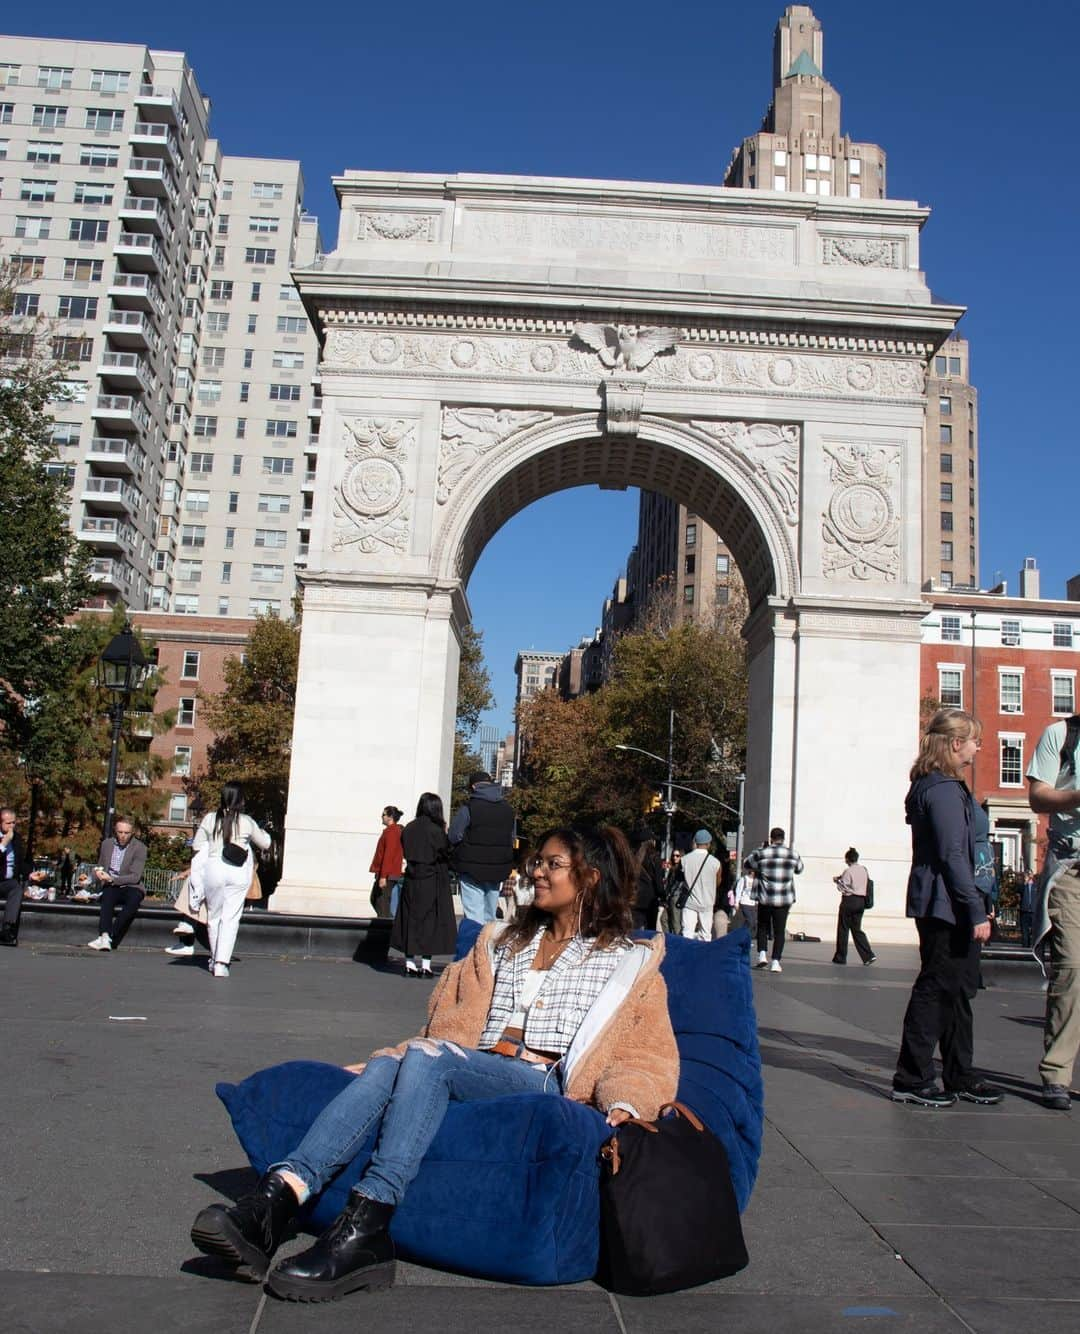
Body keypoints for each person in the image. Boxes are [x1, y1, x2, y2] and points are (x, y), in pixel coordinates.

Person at [190, 825, 679, 1303]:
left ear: (591, 878)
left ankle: (367, 1221)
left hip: (543, 1080)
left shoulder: (625, 963)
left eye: (554, 864)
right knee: (390, 1066)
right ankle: (277, 1200)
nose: (537, 873)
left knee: (423, 1060)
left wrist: (625, 1103)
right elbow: (450, 1030)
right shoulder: (503, 941)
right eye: (538, 862)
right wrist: (390, 1060)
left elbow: (641, 1051)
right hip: (471, 1063)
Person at [891, 708, 1001, 1108]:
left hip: (948, 899)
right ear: (956, 744)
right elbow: (954, 854)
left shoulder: (941, 787)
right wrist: (974, 908)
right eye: (974, 740)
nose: (978, 747)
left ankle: (959, 1073)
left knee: (957, 992)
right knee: (937, 988)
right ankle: (912, 1076)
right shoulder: (941, 791)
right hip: (946, 904)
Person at [1027, 713, 1080, 1111]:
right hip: (1072, 872)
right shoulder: (1061, 734)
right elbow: (1038, 796)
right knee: (1072, 970)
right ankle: (1056, 1073)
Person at [189, 784, 271, 979]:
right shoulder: (246, 821)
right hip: (237, 872)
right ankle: (221, 963)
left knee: (214, 917)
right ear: (241, 800)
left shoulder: (210, 819)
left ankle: (214, 957)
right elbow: (265, 843)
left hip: (214, 870)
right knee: (231, 918)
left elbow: (197, 845)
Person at [392, 793, 457, 977]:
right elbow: (445, 852)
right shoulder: (436, 830)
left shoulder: (409, 828)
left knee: (410, 919)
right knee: (431, 922)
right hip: (433, 878)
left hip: (412, 877)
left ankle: (409, 963)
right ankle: (426, 965)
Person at [448, 771, 515, 924]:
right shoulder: (507, 809)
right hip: (497, 869)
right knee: (489, 915)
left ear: (473, 786)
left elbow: (454, 835)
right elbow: (511, 838)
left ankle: (473, 945)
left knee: (473, 916)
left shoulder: (469, 807)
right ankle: (487, 945)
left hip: (470, 867)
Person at [85, 816, 149, 952]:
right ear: (115, 831)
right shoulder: (107, 845)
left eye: (126, 833)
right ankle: (104, 934)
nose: (123, 836)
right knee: (107, 897)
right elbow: (101, 866)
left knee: (133, 901)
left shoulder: (140, 848)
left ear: (132, 833)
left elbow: (135, 876)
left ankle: (110, 935)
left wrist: (112, 879)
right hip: (111, 885)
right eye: (120, 832)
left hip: (132, 885)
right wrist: (92, 877)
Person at [747, 827, 804, 973]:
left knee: (763, 926)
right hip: (784, 898)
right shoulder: (793, 854)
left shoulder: (762, 853)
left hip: (766, 897)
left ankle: (762, 955)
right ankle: (776, 961)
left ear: (771, 838)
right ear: (783, 839)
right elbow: (799, 869)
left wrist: (760, 848)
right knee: (779, 930)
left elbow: (748, 863)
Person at [0, 808, 42, 947]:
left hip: (7, 882)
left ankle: (7, 929)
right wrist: (3, 844)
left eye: (13, 823)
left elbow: (20, 862)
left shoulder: (16, 838)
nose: (11, 826)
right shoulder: (6, 839)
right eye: (8, 823)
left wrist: (30, 873)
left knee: (16, 889)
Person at [832, 848, 876, 966]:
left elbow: (844, 887)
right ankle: (868, 955)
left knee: (843, 928)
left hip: (849, 901)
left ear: (847, 859)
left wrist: (837, 881)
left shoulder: (848, 871)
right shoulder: (864, 870)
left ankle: (841, 956)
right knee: (857, 929)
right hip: (861, 902)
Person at [680, 830, 721, 941]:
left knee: (687, 932)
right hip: (707, 902)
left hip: (690, 901)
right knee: (705, 934)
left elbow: (680, 879)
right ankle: (703, 956)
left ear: (695, 842)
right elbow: (718, 882)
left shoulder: (684, 860)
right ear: (708, 844)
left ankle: (687, 956)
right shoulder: (715, 862)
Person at [369, 806, 405, 919]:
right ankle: (386, 923)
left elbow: (388, 854)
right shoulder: (391, 831)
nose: (382, 817)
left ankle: (385, 928)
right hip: (386, 873)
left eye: (383, 815)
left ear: (390, 817)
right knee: (375, 899)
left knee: (382, 903)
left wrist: (384, 876)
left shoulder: (392, 832)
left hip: (388, 874)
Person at [629, 827, 664, 930]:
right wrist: (662, 896)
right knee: (650, 930)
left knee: (635, 929)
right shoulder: (654, 858)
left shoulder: (632, 858)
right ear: (650, 841)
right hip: (650, 900)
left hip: (635, 898)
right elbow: (658, 884)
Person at [729, 858, 759, 938]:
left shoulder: (757, 881)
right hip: (745, 902)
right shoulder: (744, 879)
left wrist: (757, 901)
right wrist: (736, 903)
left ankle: (743, 935)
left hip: (753, 903)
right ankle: (743, 936)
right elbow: (738, 891)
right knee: (750, 921)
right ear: (751, 871)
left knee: (753, 922)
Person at [662, 848, 688, 935]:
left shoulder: (681, 869)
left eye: (677, 856)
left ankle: (677, 942)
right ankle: (669, 939)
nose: (675, 857)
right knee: (663, 919)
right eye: (673, 855)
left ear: (682, 857)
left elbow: (679, 884)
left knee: (676, 923)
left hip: (676, 897)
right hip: (670, 897)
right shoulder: (673, 869)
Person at [1018, 872, 1037, 950]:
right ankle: (1025, 946)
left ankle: (1034, 946)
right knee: (1025, 930)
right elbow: (1019, 890)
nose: (1028, 876)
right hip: (1024, 910)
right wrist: (1025, 883)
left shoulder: (1036, 886)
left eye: (1029, 875)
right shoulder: (1023, 886)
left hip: (1033, 911)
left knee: (1034, 930)